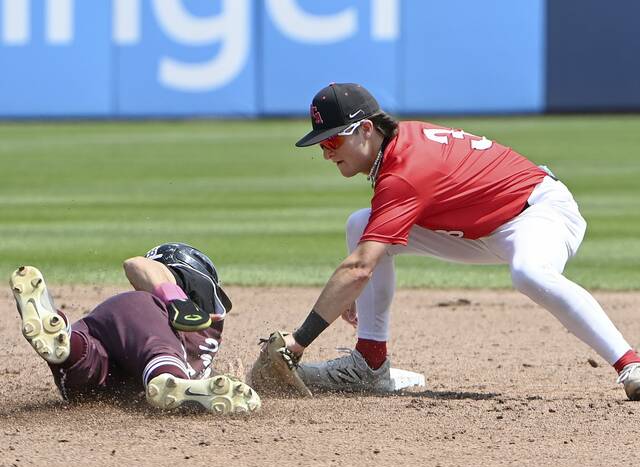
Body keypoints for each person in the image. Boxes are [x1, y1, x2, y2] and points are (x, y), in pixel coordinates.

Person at [277, 82, 640, 400]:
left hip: (537, 213)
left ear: (366, 129)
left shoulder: (405, 171)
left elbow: (359, 267)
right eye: (321, 144)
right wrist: (354, 290)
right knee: (362, 224)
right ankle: (369, 364)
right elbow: (364, 260)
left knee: (529, 273)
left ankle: (630, 363)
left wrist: (296, 344)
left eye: (333, 139)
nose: (326, 152)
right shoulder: (396, 148)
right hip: (480, 228)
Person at [10, 248, 260, 414]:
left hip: (112, 346)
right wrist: (175, 299)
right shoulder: (178, 293)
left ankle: (64, 340)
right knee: (162, 363)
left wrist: (225, 382)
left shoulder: (195, 357)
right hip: (141, 314)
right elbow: (137, 264)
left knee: (87, 371)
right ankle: (167, 377)